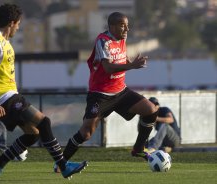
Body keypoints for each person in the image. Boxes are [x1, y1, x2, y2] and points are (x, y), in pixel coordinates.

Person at [0, 3, 87, 180]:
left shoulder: (3, 43)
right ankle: (64, 166)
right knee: (44, 122)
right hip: (5, 99)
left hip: (8, 97)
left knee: (33, 134)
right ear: (11, 23)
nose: (19, 27)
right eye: (18, 23)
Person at [54, 12, 158, 171]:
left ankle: (139, 149)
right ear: (112, 26)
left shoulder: (122, 38)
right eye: (123, 25)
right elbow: (108, 67)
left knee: (150, 110)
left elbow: (121, 60)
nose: (127, 29)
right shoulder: (103, 41)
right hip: (100, 95)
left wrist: (132, 63)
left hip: (121, 91)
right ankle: (61, 163)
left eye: (127, 25)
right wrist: (132, 66)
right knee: (86, 133)